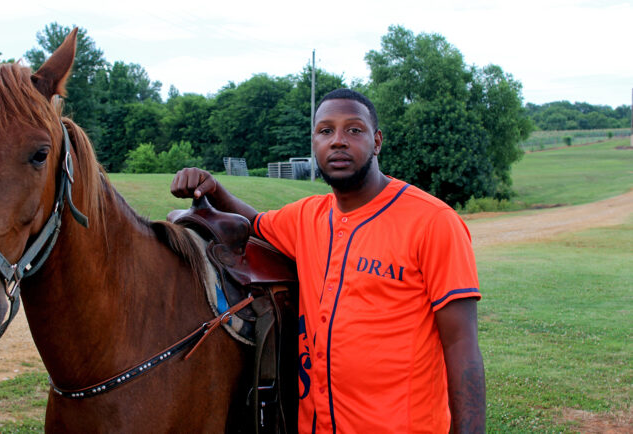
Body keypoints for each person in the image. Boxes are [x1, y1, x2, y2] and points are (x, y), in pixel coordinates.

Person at [171, 88, 485, 433]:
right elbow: (255, 221)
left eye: (354, 130)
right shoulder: (308, 217)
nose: (338, 141)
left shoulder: (433, 222)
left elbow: (462, 345)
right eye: (325, 131)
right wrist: (214, 189)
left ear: (377, 141)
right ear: (314, 143)